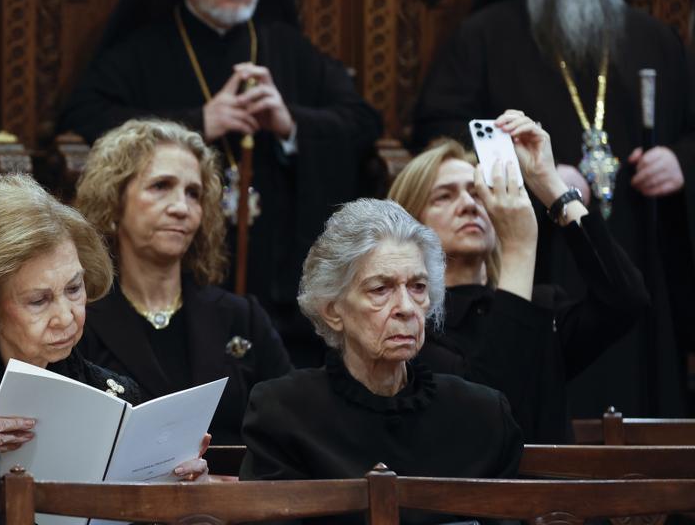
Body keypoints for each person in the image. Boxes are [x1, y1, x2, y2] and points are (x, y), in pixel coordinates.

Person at [59, 0, 382, 365]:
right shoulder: (142, 51)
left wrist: (290, 124)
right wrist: (199, 121)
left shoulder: (286, 50)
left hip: (280, 274)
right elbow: (82, 114)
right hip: (172, 273)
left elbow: (363, 122)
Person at [413, 0, 695, 416]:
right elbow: (437, 132)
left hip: (639, 256)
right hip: (536, 270)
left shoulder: (654, 39)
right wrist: (530, 176)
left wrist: (682, 161)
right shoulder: (486, 37)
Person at [0, 173, 209, 491]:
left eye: (74, 288)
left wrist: (174, 494)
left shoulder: (117, 395)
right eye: (39, 300)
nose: (66, 316)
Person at [239, 199, 522, 525]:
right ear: (332, 310)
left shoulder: (482, 415)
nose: (406, 307)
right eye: (380, 288)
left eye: (417, 287)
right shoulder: (284, 413)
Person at [389, 111, 648, 443]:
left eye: (479, 192)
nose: (470, 204)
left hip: (560, 492)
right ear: (409, 224)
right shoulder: (408, 322)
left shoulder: (542, 308)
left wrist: (551, 185)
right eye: (444, 196)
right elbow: (491, 414)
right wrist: (519, 247)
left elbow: (626, 298)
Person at [74, 118, 290, 444]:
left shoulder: (242, 317)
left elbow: (291, 429)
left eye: (194, 193)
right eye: (161, 186)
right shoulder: (80, 319)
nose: (181, 208)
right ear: (114, 202)